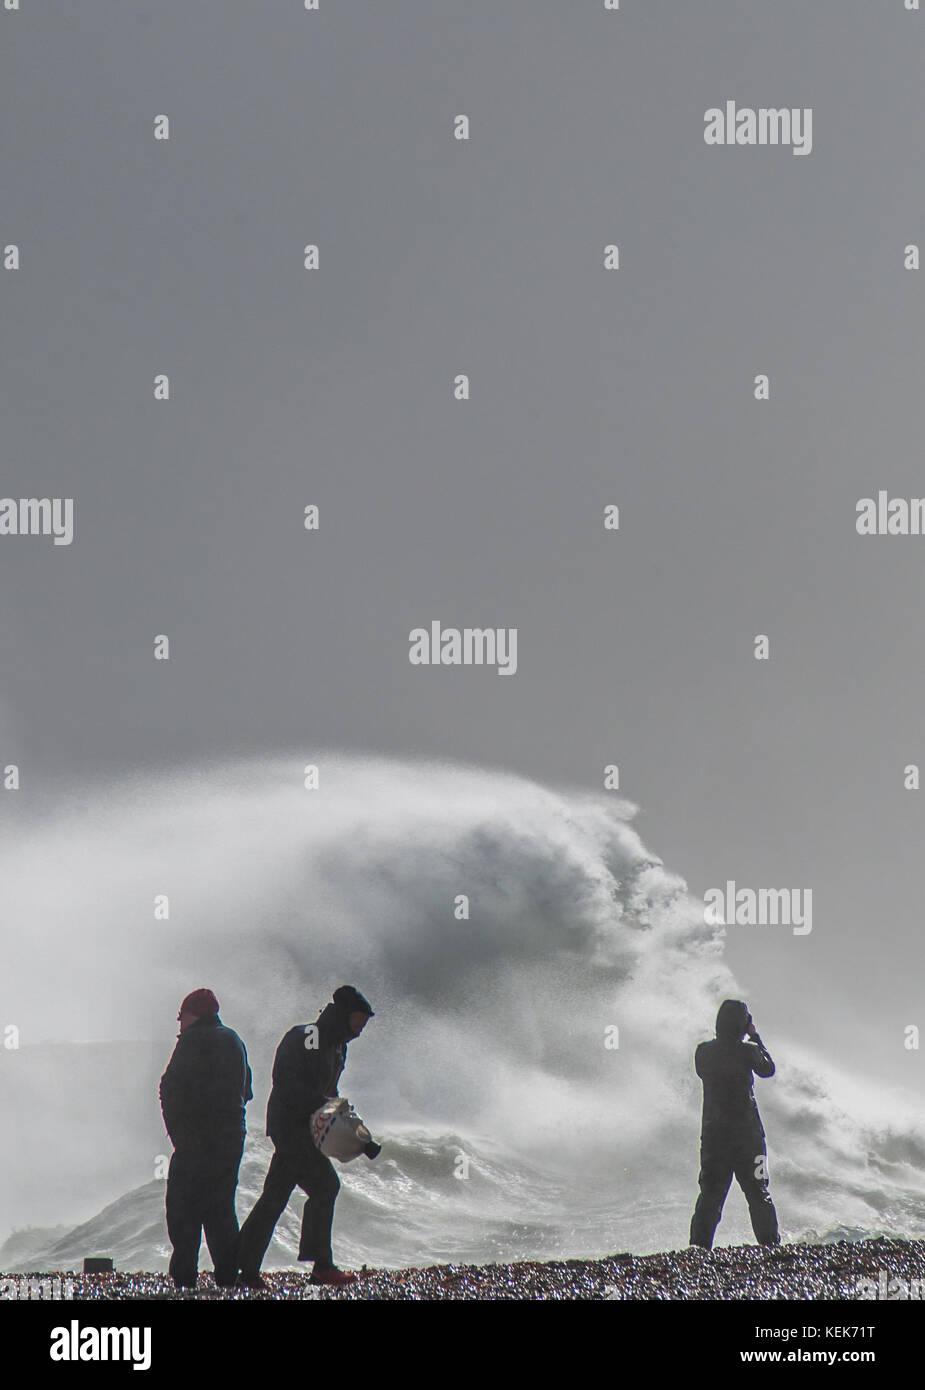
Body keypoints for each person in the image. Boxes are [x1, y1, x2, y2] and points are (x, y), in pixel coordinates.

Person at [236, 985, 379, 1288]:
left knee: (274, 1197)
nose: (360, 1030)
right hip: (290, 1127)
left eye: (364, 1025)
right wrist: (323, 1105)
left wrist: (343, 1121)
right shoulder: (309, 1037)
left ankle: (241, 1267)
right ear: (342, 1016)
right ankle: (322, 1266)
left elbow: (328, 1090)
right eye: (358, 1022)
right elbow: (287, 1084)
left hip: (309, 1130)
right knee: (326, 1186)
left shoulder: (339, 1046)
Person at [159, 987, 253, 1289]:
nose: (179, 1024)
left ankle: (185, 1278)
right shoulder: (235, 1040)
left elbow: (168, 1087)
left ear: (193, 1014)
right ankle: (228, 1276)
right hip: (231, 1137)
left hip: (196, 1139)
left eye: (180, 1017)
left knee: (183, 1207)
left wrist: (178, 1134)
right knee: (221, 1208)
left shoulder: (191, 1041)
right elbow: (247, 1092)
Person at [689, 998, 780, 1250]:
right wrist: (755, 1036)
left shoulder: (703, 1053)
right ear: (742, 1024)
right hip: (748, 1139)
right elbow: (768, 1068)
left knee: (710, 1194)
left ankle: (698, 1248)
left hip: (713, 1137)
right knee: (758, 1193)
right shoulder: (748, 1051)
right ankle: (770, 1245)